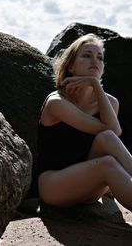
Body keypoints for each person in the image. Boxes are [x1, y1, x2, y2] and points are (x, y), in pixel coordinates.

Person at [37, 33, 132, 211]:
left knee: (106, 138)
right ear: (71, 66)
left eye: (100, 58)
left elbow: (113, 134)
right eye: (87, 55)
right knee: (108, 163)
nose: (95, 61)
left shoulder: (110, 103)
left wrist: (96, 87)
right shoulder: (57, 102)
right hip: (54, 187)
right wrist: (95, 85)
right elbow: (115, 129)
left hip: (91, 187)